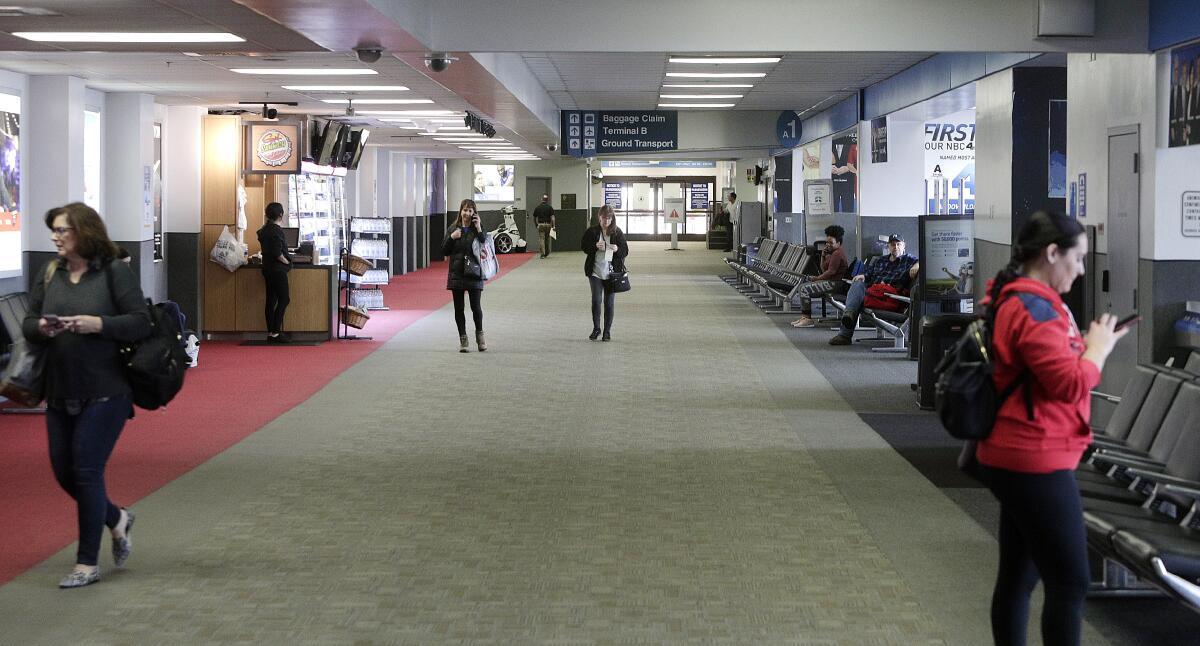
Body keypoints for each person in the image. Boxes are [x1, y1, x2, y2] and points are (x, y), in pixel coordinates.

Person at [975, 211, 1126, 646]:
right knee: (1071, 582)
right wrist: (1096, 351)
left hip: (1016, 451)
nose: (1081, 270)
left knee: (1019, 578)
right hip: (1034, 458)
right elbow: (1069, 382)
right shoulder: (1033, 306)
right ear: (1052, 252)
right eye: (1077, 259)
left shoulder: (1021, 297)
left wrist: (1086, 345)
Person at [21, 202, 151, 588]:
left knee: (87, 472)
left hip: (106, 392)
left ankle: (86, 563)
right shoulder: (51, 272)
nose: (55, 237)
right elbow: (28, 322)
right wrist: (41, 327)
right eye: (54, 231)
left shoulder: (112, 273)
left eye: (63, 230)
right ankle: (117, 519)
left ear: (84, 233)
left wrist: (99, 324)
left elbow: (141, 322)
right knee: (65, 475)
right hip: (59, 391)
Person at [829, 234, 918, 345]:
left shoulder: (909, 260)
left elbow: (924, 262)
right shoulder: (880, 260)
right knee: (858, 283)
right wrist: (864, 276)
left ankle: (844, 334)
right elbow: (868, 273)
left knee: (856, 299)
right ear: (888, 247)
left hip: (889, 297)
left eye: (898, 244)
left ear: (904, 246)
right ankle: (849, 315)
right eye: (892, 244)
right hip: (873, 293)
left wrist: (917, 265)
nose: (896, 247)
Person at [442, 198, 490, 352]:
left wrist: (479, 227)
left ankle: (480, 337)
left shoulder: (478, 229)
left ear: (474, 213)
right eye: (465, 210)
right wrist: (452, 238)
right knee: (459, 308)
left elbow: (485, 244)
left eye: (470, 211)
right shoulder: (453, 229)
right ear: (460, 211)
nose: (467, 214)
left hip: (474, 273)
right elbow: (443, 250)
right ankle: (463, 339)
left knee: (476, 307)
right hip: (457, 273)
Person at [580, 204, 628, 342]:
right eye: (603, 218)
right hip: (595, 271)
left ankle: (607, 331)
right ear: (599, 218)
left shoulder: (617, 232)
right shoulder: (592, 232)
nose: (606, 221)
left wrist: (617, 248)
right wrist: (594, 246)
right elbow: (584, 247)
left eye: (609, 218)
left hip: (612, 274)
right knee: (596, 300)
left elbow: (625, 251)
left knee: (609, 303)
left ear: (612, 218)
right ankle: (596, 329)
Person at [790, 225, 850, 328]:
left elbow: (831, 272)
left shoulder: (837, 254)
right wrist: (823, 256)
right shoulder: (832, 253)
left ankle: (807, 318)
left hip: (836, 284)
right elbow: (823, 270)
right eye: (827, 242)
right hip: (831, 282)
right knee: (803, 287)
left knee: (804, 288)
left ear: (838, 243)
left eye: (831, 243)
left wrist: (817, 279)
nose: (828, 245)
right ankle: (805, 317)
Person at [256, 202, 291, 343]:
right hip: (278, 270)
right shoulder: (276, 230)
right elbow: (277, 252)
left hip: (267, 268)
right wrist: (286, 261)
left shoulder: (264, 230)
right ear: (281, 215)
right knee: (284, 299)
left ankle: (271, 332)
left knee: (271, 300)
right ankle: (276, 332)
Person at [533, 194, 556, 258]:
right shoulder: (550, 207)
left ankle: (542, 254)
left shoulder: (538, 207)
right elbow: (552, 217)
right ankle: (547, 252)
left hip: (541, 225)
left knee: (541, 239)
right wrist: (553, 226)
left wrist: (536, 224)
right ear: (547, 200)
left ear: (541, 199)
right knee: (547, 239)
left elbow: (534, 217)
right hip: (548, 225)